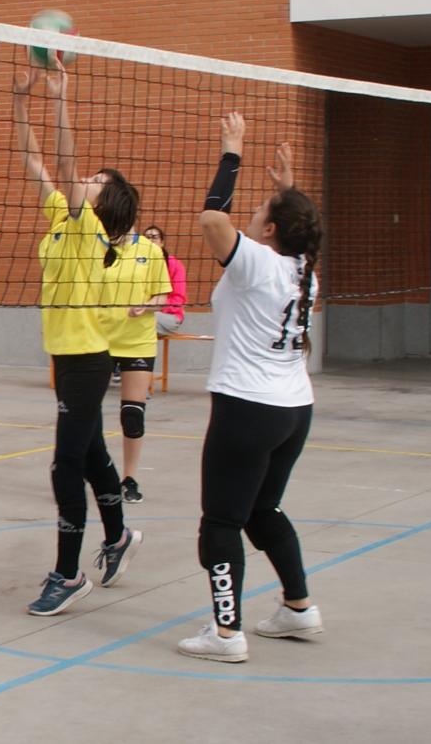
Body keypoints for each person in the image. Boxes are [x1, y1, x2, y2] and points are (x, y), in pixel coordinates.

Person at [177, 113, 324, 663]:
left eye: (265, 211)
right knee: (265, 511)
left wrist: (231, 153)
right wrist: (288, 193)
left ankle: (226, 633)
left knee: (220, 522)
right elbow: (304, 230)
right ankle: (299, 608)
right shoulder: (305, 268)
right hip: (293, 410)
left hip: (248, 409)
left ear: (268, 232)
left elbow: (212, 219)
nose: (255, 212)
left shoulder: (258, 263)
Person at [13, 65, 143, 617]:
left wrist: (61, 99)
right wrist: (19, 104)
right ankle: (118, 537)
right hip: (65, 357)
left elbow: (62, 162)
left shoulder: (88, 225)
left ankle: (67, 576)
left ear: (103, 204)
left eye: (94, 178)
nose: (82, 177)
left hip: (89, 359)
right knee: (91, 455)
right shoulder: (65, 219)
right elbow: (33, 161)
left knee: (66, 464)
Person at [100, 223, 172, 504]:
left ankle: (129, 479)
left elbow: (162, 295)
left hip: (137, 341)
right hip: (100, 340)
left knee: (132, 414)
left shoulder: (149, 250)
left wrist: (148, 305)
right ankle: (95, 473)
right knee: (86, 413)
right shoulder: (98, 247)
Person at [143, 225, 187, 336]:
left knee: (139, 320)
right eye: (147, 237)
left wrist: (151, 306)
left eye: (154, 237)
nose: (150, 240)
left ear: (162, 242)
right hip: (143, 311)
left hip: (169, 316)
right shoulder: (138, 264)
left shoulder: (175, 265)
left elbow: (178, 300)